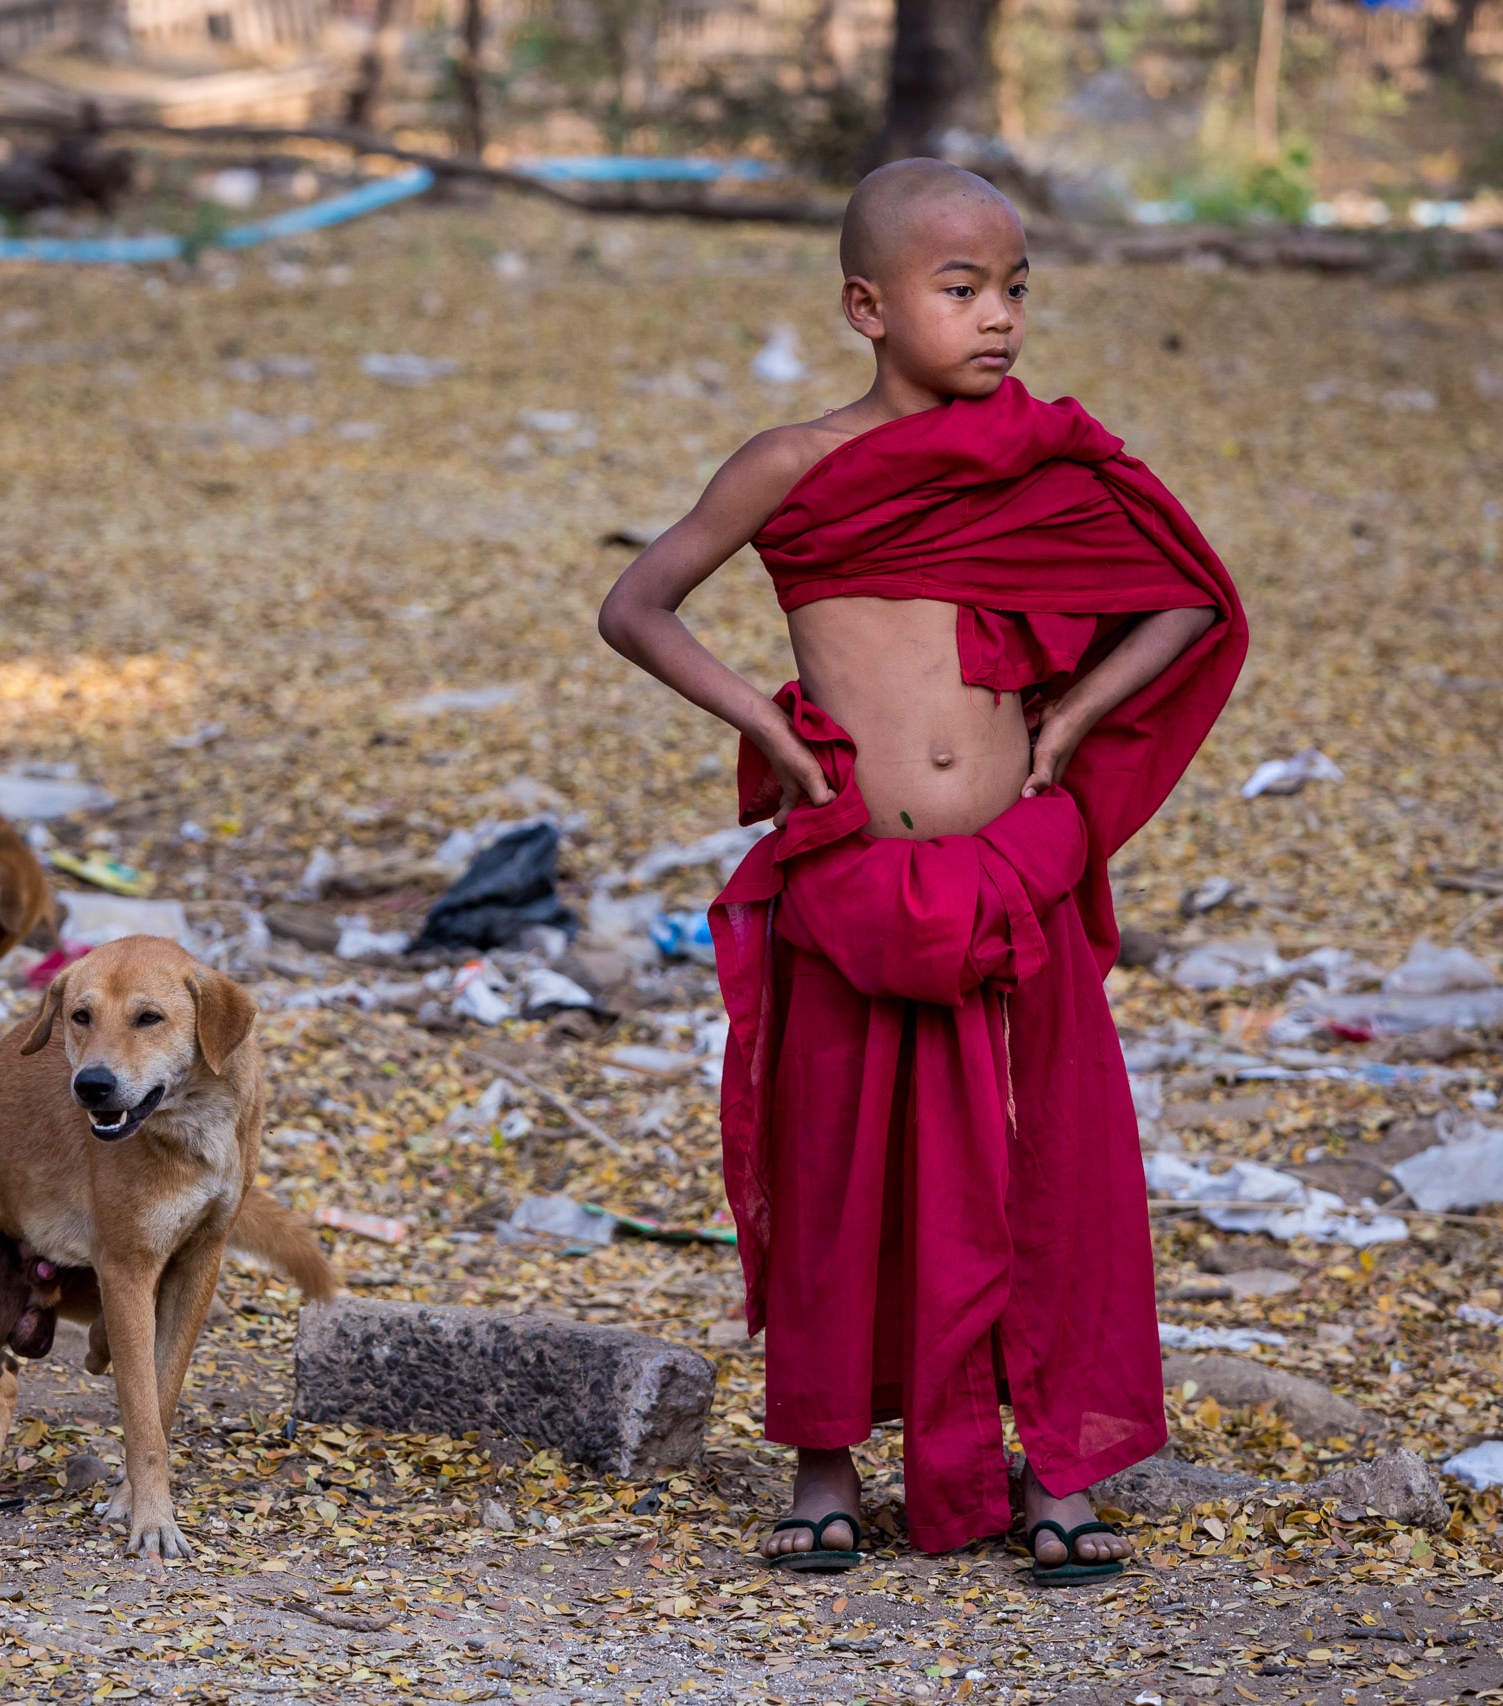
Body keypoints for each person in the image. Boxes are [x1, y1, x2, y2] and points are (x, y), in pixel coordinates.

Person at [597, 159, 1247, 1580]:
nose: (998, 317)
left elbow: (1189, 595)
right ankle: (824, 1463)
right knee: (838, 1167)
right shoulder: (796, 463)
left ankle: (1054, 1463)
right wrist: (762, 716)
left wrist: (1070, 719)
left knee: (1039, 1170)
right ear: (866, 307)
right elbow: (636, 604)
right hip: (855, 878)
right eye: (962, 291)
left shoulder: (1047, 458)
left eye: (1015, 289)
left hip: (1009, 869)